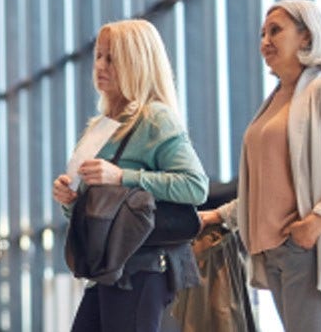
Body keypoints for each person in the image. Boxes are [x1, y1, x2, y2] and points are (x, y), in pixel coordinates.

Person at [198, 0, 321, 332]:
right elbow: (267, 189)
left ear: (306, 36)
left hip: (305, 250)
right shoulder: (276, 100)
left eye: (275, 31)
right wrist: (219, 216)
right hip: (273, 252)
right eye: (262, 33)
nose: (265, 41)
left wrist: (314, 224)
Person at [52, 19, 208, 331]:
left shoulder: (155, 119)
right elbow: (97, 206)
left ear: (137, 62)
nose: (100, 65)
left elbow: (195, 187)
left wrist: (122, 176)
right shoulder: (101, 127)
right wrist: (69, 199)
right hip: (107, 267)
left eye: (112, 58)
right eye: (98, 56)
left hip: (143, 266)